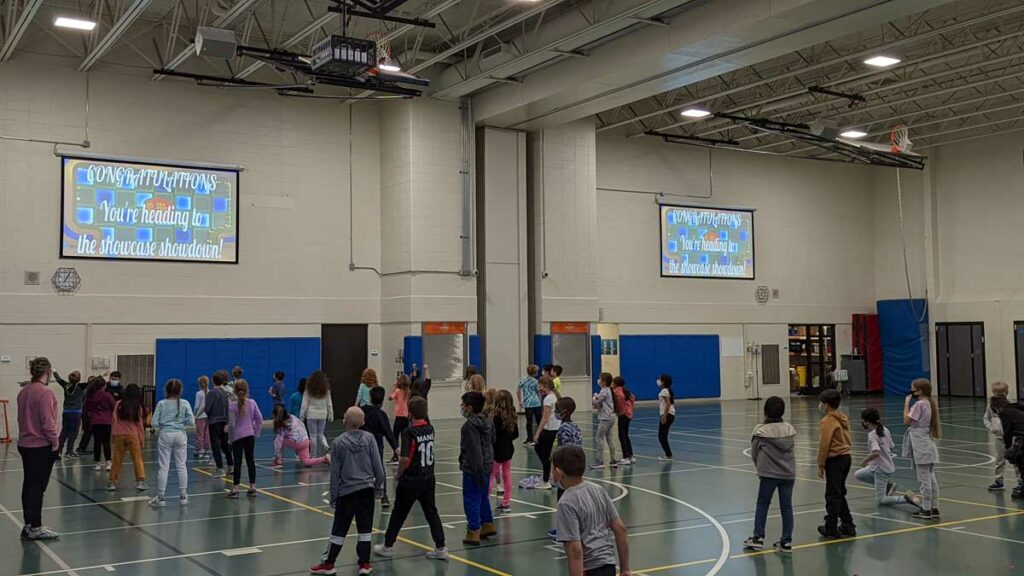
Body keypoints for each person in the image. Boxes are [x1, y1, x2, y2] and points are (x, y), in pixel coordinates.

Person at [309, 407, 384, 576]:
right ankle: (364, 563)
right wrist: (379, 488)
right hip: (366, 491)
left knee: (339, 530)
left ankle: (329, 564)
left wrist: (334, 496)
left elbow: (335, 473)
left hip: (347, 493)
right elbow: (378, 467)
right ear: (363, 422)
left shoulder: (338, 443)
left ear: (344, 421)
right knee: (365, 530)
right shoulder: (370, 439)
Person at [373, 397, 448, 560]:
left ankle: (387, 545)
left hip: (412, 479)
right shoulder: (430, 428)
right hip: (428, 477)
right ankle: (441, 546)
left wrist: (399, 473)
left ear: (410, 414)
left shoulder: (408, 433)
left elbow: (405, 458)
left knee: (399, 512)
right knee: (431, 512)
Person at [552, 445, 632, 576]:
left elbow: (574, 550)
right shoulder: (598, 489)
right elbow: (621, 530)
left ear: (558, 473)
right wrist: (625, 569)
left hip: (588, 569)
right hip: (609, 566)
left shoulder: (566, 503)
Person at [742, 396, 797, 553]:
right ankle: (786, 541)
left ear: (765, 411)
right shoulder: (789, 429)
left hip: (769, 474)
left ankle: (758, 537)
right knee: (786, 506)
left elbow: (754, 453)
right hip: (788, 473)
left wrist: (760, 468)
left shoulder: (760, 431)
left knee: (763, 503)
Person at [17, 357, 60, 540]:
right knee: (37, 488)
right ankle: (35, 526)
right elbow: (47, 422)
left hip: (25, 444)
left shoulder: (24, 391)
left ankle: (28, 523)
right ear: (48, 371)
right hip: (40, 445)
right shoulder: (45, 393)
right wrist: (56, 442)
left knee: (28, 485)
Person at [853, 408, 921, 510]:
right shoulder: (885, 430)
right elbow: (892, 445)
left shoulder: (872, 435)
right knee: (858, 474)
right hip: (877, 466)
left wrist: (865, 461)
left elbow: (876, 452)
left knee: (882, 500)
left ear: (866, 422)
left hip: (881, 470)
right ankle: (888, 486)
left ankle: (905, 498)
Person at [149, 379, 195, 507]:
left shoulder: (162, 404)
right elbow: (191, 421)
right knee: (181, 465)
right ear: (180, 391)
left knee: (164, 466)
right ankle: (183, 496)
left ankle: (161, 497)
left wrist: (164, 424)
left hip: (165, 435)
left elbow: (153, 423)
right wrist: (180, 423)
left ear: (166, 390)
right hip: (180, 435)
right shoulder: (185, 403)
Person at [816, 389, 855, 538]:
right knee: (839, 493)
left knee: (832, 495)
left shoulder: (828, 421)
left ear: (826, 405)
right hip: (846, 457)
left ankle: (831, 527)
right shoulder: (842, 417)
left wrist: (821, 463)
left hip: (835, 459)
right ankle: (848, 524)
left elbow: (825, 444)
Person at [459, 391, 495, 546]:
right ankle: (487, 524)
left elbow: (474, 450)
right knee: (482, 496)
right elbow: (492, 440)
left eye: (463, 405)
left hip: (474, 468)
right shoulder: (488, 421)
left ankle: (473, 530)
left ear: (470, 408)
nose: (461, 408)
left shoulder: (468, 427)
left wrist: (477, 470)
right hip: (488, 463)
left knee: (471, 498)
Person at [903, 378, 942, 520]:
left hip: (922, 445)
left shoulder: (919, 404)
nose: (911, 391)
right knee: (931, 478)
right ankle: (934, 507)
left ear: (919, 391)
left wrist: (907, 403)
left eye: (913, 388)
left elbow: (907, 420)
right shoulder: (928, 403)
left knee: (924, 479)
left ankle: (926, 509)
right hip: (926, 442)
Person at [361, 386, 397, 509]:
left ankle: (363, 494)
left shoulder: (362, 411)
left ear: (370, 398)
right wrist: (395, 447)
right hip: (377, 446)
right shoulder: (381, 415)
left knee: (363, 470)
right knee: (379, 470)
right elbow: (388, 432)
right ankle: (383, 495)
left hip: (363, 446)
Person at [107, 383, 147, 492]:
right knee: (137, 458)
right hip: (133, 435)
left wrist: (113, 435)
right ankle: (140, 481)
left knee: (117, 458)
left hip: (119, 434)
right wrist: (142, 439)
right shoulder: (137, 406)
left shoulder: (118, 404)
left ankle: (112, 482)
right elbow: (139, 424)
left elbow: (114, 420)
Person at [227, 379, 263, 499]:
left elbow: (231, 425)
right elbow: (259, 419)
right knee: (250, 460)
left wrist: (231, 439)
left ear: (234, 391)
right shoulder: (252, 403)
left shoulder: (232, 406)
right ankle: (252, 487)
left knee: (237, 461)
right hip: (250, 435)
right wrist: (255, 433)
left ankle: (236, 489)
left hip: (238, 436)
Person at [985, 382, 1019, 491]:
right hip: (999, 438)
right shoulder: (991, 405)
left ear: (1005, 392)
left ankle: (1020, 482)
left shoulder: (1011, 403)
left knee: (1016, 459)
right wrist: (992, 428)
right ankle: (999, 481)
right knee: (999, 460)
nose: (997, 395)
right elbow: (986, 418)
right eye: (995, 392)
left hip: (1013, 437)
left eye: (1000, 392)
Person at [491, 390, 519, 513]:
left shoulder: (495, 418)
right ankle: (506, 502)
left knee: (490, 476)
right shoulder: (512, 415)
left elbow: (492, 437)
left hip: (497, 452)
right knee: (507, 476)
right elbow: (516, 434)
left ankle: (484, 501)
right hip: (508, 450)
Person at [534, 376, 562, 490]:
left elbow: (545, 417)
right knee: (541, 450)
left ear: (545, 386)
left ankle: (546, 481)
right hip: (554, 427)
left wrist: (537, 433)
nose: (538, 388)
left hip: (549, 428)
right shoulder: (553, 396)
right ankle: (547, 474)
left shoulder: (548, 399)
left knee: (543, 453)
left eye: (540, 386)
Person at [994, 397, 1024, 499]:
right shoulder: (1018, 408)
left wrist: (1008, 447)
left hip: (1021, 438)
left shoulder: (1004, 413)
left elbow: (1007, 431)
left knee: (1021, 464)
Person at [206, 369, 234, 477]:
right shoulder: (224, 392)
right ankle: (231, 466)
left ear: (213, 381)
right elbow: (228, 407)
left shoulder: (212, 393)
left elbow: (208, 408)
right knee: (225, 445)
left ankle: (220, 469)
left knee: (216, 445)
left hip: (214, 422)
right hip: (224, 421)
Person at [302, 370, 335, 458]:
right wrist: (331, 414)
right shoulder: (326, 390)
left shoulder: (308, 390)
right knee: (321, 434)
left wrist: (301, 417)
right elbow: (329, 403)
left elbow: (304, 405)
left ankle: (313, 455)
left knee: (313, 435)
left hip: (311, 415)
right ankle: (327, 448)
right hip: (322, 414)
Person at [54, 369, 86, 458]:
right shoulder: (81, 386)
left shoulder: (65, 385)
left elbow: (58, 379)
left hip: (66, 412)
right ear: (79, 379)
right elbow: (94, 382)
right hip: (76, 413)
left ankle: (58, 451)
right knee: (73, 432)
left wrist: (54, 371)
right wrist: (103, 375)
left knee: (64, 431)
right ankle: (69, 451)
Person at [85, 376, 115, 472]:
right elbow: (113, 406)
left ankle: (97, 463)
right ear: (103, 386)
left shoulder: (90, 395)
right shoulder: (107, 395)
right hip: (106, 421)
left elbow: (87, 408)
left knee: (97, 443)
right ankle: (108, 462)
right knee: (106, 442)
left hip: (95, 421)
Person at [592, 373, 618, 470]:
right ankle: (613, 460)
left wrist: (594, 397)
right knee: (609, 439)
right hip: (611, 417)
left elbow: (596, 401)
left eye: (600, 379)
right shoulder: (608, 391)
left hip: (605, 418)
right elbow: (601, 404)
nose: (598, 380)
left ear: (603, 381)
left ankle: (600, 461)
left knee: (599, 438)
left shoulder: (604, 391)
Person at [388, 374, 411, 463]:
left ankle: (395, 455)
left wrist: (394, 387)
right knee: (404, 437)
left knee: (395, 436)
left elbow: (390, 398)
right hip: (406, 417)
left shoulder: (397, 391)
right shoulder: (409, 392)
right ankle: (405, 454)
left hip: (399, 417)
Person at [612, 377, 635, 466]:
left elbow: (620, 399)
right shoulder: (626, 391)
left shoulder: (617, 391)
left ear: (616, 384)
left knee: (621, 436)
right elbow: (632, 398)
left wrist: (620, 411)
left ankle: (626, 457)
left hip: (623, 415)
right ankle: (631, 455)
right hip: (628, 415)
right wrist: (630, 409)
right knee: (626, 435)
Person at [518, 364, 542, 445]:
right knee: (539, 420)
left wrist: (520, 401)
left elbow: (518, 390)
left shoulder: (522, 380)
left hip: (528, 403)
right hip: (536, 403)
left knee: (529, 422)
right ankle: (540, 437)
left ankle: (530, 438)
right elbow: (538, 392)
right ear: (535, 373)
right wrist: (541, 400)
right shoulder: (536, 381)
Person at [657, 374, 676, 461]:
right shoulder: (667, 390)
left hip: (667, 415)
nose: (658, 381)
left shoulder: (664, 391)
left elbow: (668, 403)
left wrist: (664, 416)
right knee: (663, 435)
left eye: (660, 380)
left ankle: (668, 455)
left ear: (663, 382)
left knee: (661, 436)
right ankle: (668, 454)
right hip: (670, 414)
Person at [194, 375, 210, 460]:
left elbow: (197, 406)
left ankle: (199, 450)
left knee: (199, 434)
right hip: (209, 416)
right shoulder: (210, 392)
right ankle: (207, 451)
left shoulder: (199, 393)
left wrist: (195, 415)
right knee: (207, 433)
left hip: (200, 416)